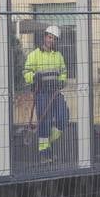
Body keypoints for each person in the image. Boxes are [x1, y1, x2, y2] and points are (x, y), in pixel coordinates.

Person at [24, 24, 69, 160]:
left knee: (63, 118)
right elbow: (26, 73)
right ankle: (44, 152)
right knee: (45, 121)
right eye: (50, 37)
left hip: (55, 92)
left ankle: (47, 140)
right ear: (44, 37)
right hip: (41, 92)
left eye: (54, 39)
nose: (51, 40)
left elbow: (63, 72)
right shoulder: (34, 55)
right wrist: (33, 77)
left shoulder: (59, 56)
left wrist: (62, 81)